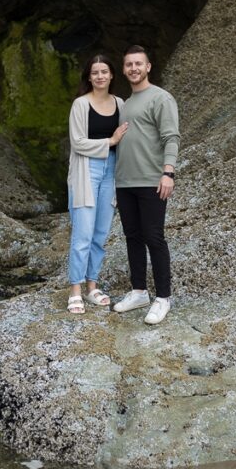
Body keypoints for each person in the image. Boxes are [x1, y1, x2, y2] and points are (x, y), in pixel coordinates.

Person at [111, 45, 179, 325]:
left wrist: (168, 173)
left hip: (152, 181)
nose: (134, 68)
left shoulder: (161, 98)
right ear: (124, 69)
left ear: (148, 67)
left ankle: (163, 297)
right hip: (125, 182)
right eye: (129, 64)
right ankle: (139, 291)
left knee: (154, 237)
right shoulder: (126, 104)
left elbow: (171, 137)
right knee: (133, 237)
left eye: (138, 63)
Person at [66, 54, 129, 314]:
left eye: (104, 71)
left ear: (112, 75)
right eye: (95, 72)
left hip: (111, 170)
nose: (100, 76)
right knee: (83, 233)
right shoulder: (81, 104)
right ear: (89, 77)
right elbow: (77, 142)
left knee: (100, 234)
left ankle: (92, 287)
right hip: (86, 170)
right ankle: (75, 290)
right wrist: (110, 142)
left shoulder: (120, 103)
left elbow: (128, 138)